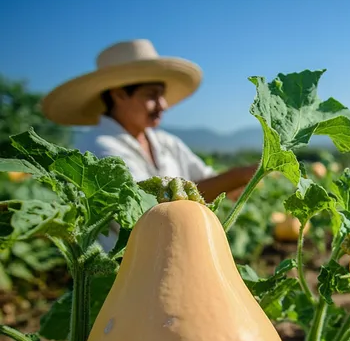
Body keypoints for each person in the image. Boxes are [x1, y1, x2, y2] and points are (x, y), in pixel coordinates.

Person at [41, 39, 258, 249]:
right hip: (120, 270)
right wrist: (239, 175)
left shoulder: (165, 141)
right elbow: (143, 211)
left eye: (162, 95)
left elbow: (208, 180)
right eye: (151, 95)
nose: (162, 105)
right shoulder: (99, 146)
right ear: (118, 95)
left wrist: (239, 180)